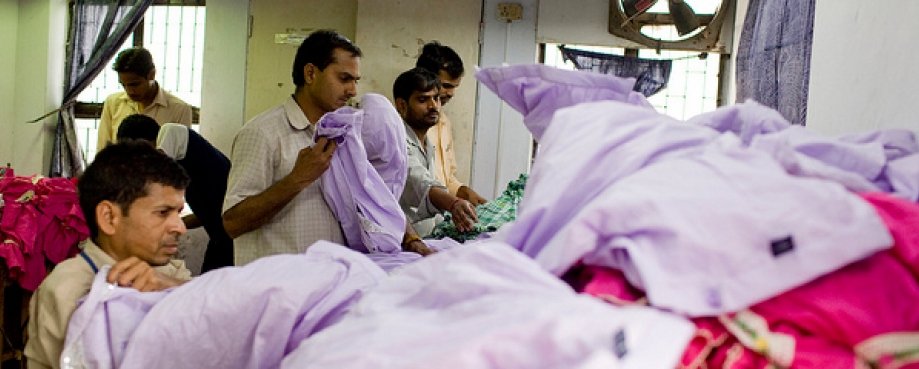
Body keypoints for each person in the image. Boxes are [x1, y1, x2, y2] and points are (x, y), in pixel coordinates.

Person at [25, 141, 193, 369]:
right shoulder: (67, 291)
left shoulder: (171, 274)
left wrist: (171, 287)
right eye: (163, 213)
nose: (179, 227)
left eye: (178, 213)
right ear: (109, 218)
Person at [222, 30, 360, 265]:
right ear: (310, 73)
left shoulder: (341, 135)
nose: (352, 91)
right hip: (276, 290)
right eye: (344, 79)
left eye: (355, 81)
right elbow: (233, 223)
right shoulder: (262, 133)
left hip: (325, 284)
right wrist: (297, 179)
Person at [117, 114, 234, 272]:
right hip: (221, 236)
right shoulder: (185, 171)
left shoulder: (171, 132)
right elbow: (209, 213)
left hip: (236, 234)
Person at [393, 68, 478, 237]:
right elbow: (420, 182)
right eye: (423, 100)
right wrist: (453, 203)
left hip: (429, 237)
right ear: (402, 104)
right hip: (405, 242)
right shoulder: (396, 141)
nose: (433, 106)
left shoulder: (427, 142)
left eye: (436, 98)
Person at [415, 41, 488, 206]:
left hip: (439, 216)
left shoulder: (444, 122)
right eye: (446, 86)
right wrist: (453, 202)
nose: (451, 94)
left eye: (455, 87)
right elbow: (414, 184)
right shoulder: (404, 125)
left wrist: (463, 191)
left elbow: (446, 178)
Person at [97, 47, 192, 152]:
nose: (129, 91)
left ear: (152, 74)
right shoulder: (113, 103)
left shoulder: (179, 110)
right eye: (124, 85)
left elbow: (181, 158)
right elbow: (103, 150)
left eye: (134, 84)